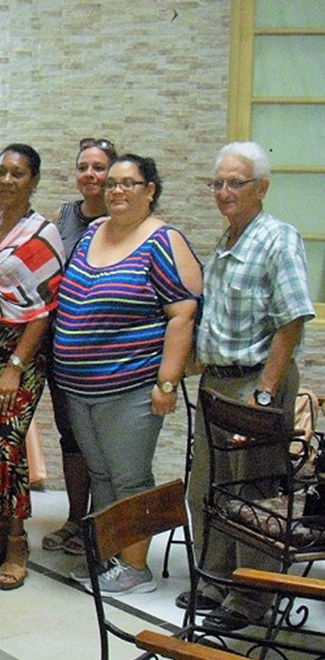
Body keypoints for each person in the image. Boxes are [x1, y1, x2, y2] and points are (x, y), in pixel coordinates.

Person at [55, 154, 202, 595]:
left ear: (150, 189)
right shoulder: (94, 232)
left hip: (132, 386)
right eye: (112, 184)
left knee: (130, 477)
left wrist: (166, 383)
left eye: (129, 183)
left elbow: (183, 314)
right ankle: (111, 557)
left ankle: (136, 568)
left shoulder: (162, 240)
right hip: (79, 386)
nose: (116, 191)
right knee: (101, 474)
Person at [185, 142, 314, 631]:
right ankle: (217, 580)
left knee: (252, 494)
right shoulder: (228, 238)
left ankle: (252, 598)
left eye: (234, 182)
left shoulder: (277, 238)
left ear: (261, 186)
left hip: (255, 382)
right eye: (217, 182)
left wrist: (265, 393)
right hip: (218, 384)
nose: (223, 192)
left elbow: (292, 322)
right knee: (210, 487)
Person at [0, 144, 64, 590]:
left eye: (17, 174)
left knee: (6, 444)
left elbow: (44, 309)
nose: (6, 181)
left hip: (20, 354)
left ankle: (16, 541)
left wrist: (16, 364)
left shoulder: (42, 233)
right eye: (1, 172)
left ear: (34, 180)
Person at [41, 137, 117, 556]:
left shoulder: (127, 218)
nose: (91, 175)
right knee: (71, 437)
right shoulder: (65, 216)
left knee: (104, 443)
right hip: (63, 347)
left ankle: (105, 526)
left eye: (99, 167)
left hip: (109, 354)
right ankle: (75, 518)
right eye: (83, 167)